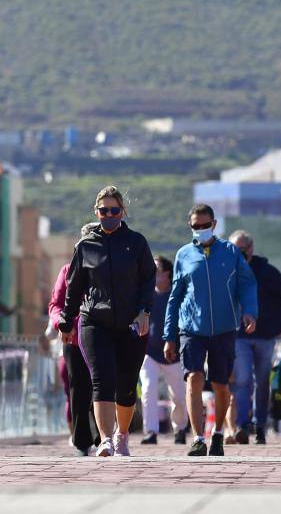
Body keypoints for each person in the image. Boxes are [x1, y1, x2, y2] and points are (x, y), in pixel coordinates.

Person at [57, 187, 156, 457]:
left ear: (123, 211)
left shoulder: (136, 242)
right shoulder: (85, 246)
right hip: (94, 322)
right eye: (104, 211)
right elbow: (74, 287)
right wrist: (66, 321)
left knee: (126, 385)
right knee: (102, 380)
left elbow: (148, 280)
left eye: (114, 210)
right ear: (96, 212)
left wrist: (144, 311)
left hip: (131, 323)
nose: (109, 215)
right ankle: (105, 440)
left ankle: (122, 435)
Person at [163, 204, 258, 457]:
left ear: (214, 225)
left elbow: (247, 284)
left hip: (224, 328)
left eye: (206, 225)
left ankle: (218, 434)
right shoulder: (183, 255)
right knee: (194, 378)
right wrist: (169, 336)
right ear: (190, 226)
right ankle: (197, 438)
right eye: (197, 226)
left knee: (221, 384)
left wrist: (249, 311)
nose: (201, 229)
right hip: (191, 328)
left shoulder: (230, 252)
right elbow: (175, 296)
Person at [228, 230, 281, 445]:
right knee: (243, 379)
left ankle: (260, 426)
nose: (238, 254)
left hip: (265, 336)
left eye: (242, 249)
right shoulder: (226, 271)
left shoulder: (267, 271)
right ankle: (242, 426)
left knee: (263, 381)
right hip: (239, 336)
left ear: (251, 249)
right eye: (234, 250)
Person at [48, 222, 101, 456]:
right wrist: (62, 324)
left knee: (103, 386)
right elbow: (55, 304)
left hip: (104, 335)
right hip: (73, 338)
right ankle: (81, 442)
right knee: (78, 388)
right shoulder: (67, 271)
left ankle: (105, 437)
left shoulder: (110, 270)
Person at [139, 256, 188, 445]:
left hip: (174, 353)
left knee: (178, 395)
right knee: (148, 389)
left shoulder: (177, 295)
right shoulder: (146, 294)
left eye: (156, 269)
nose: (152, 273)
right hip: (149, 352)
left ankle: (180, 429)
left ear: (167, 273)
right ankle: (150, 431)